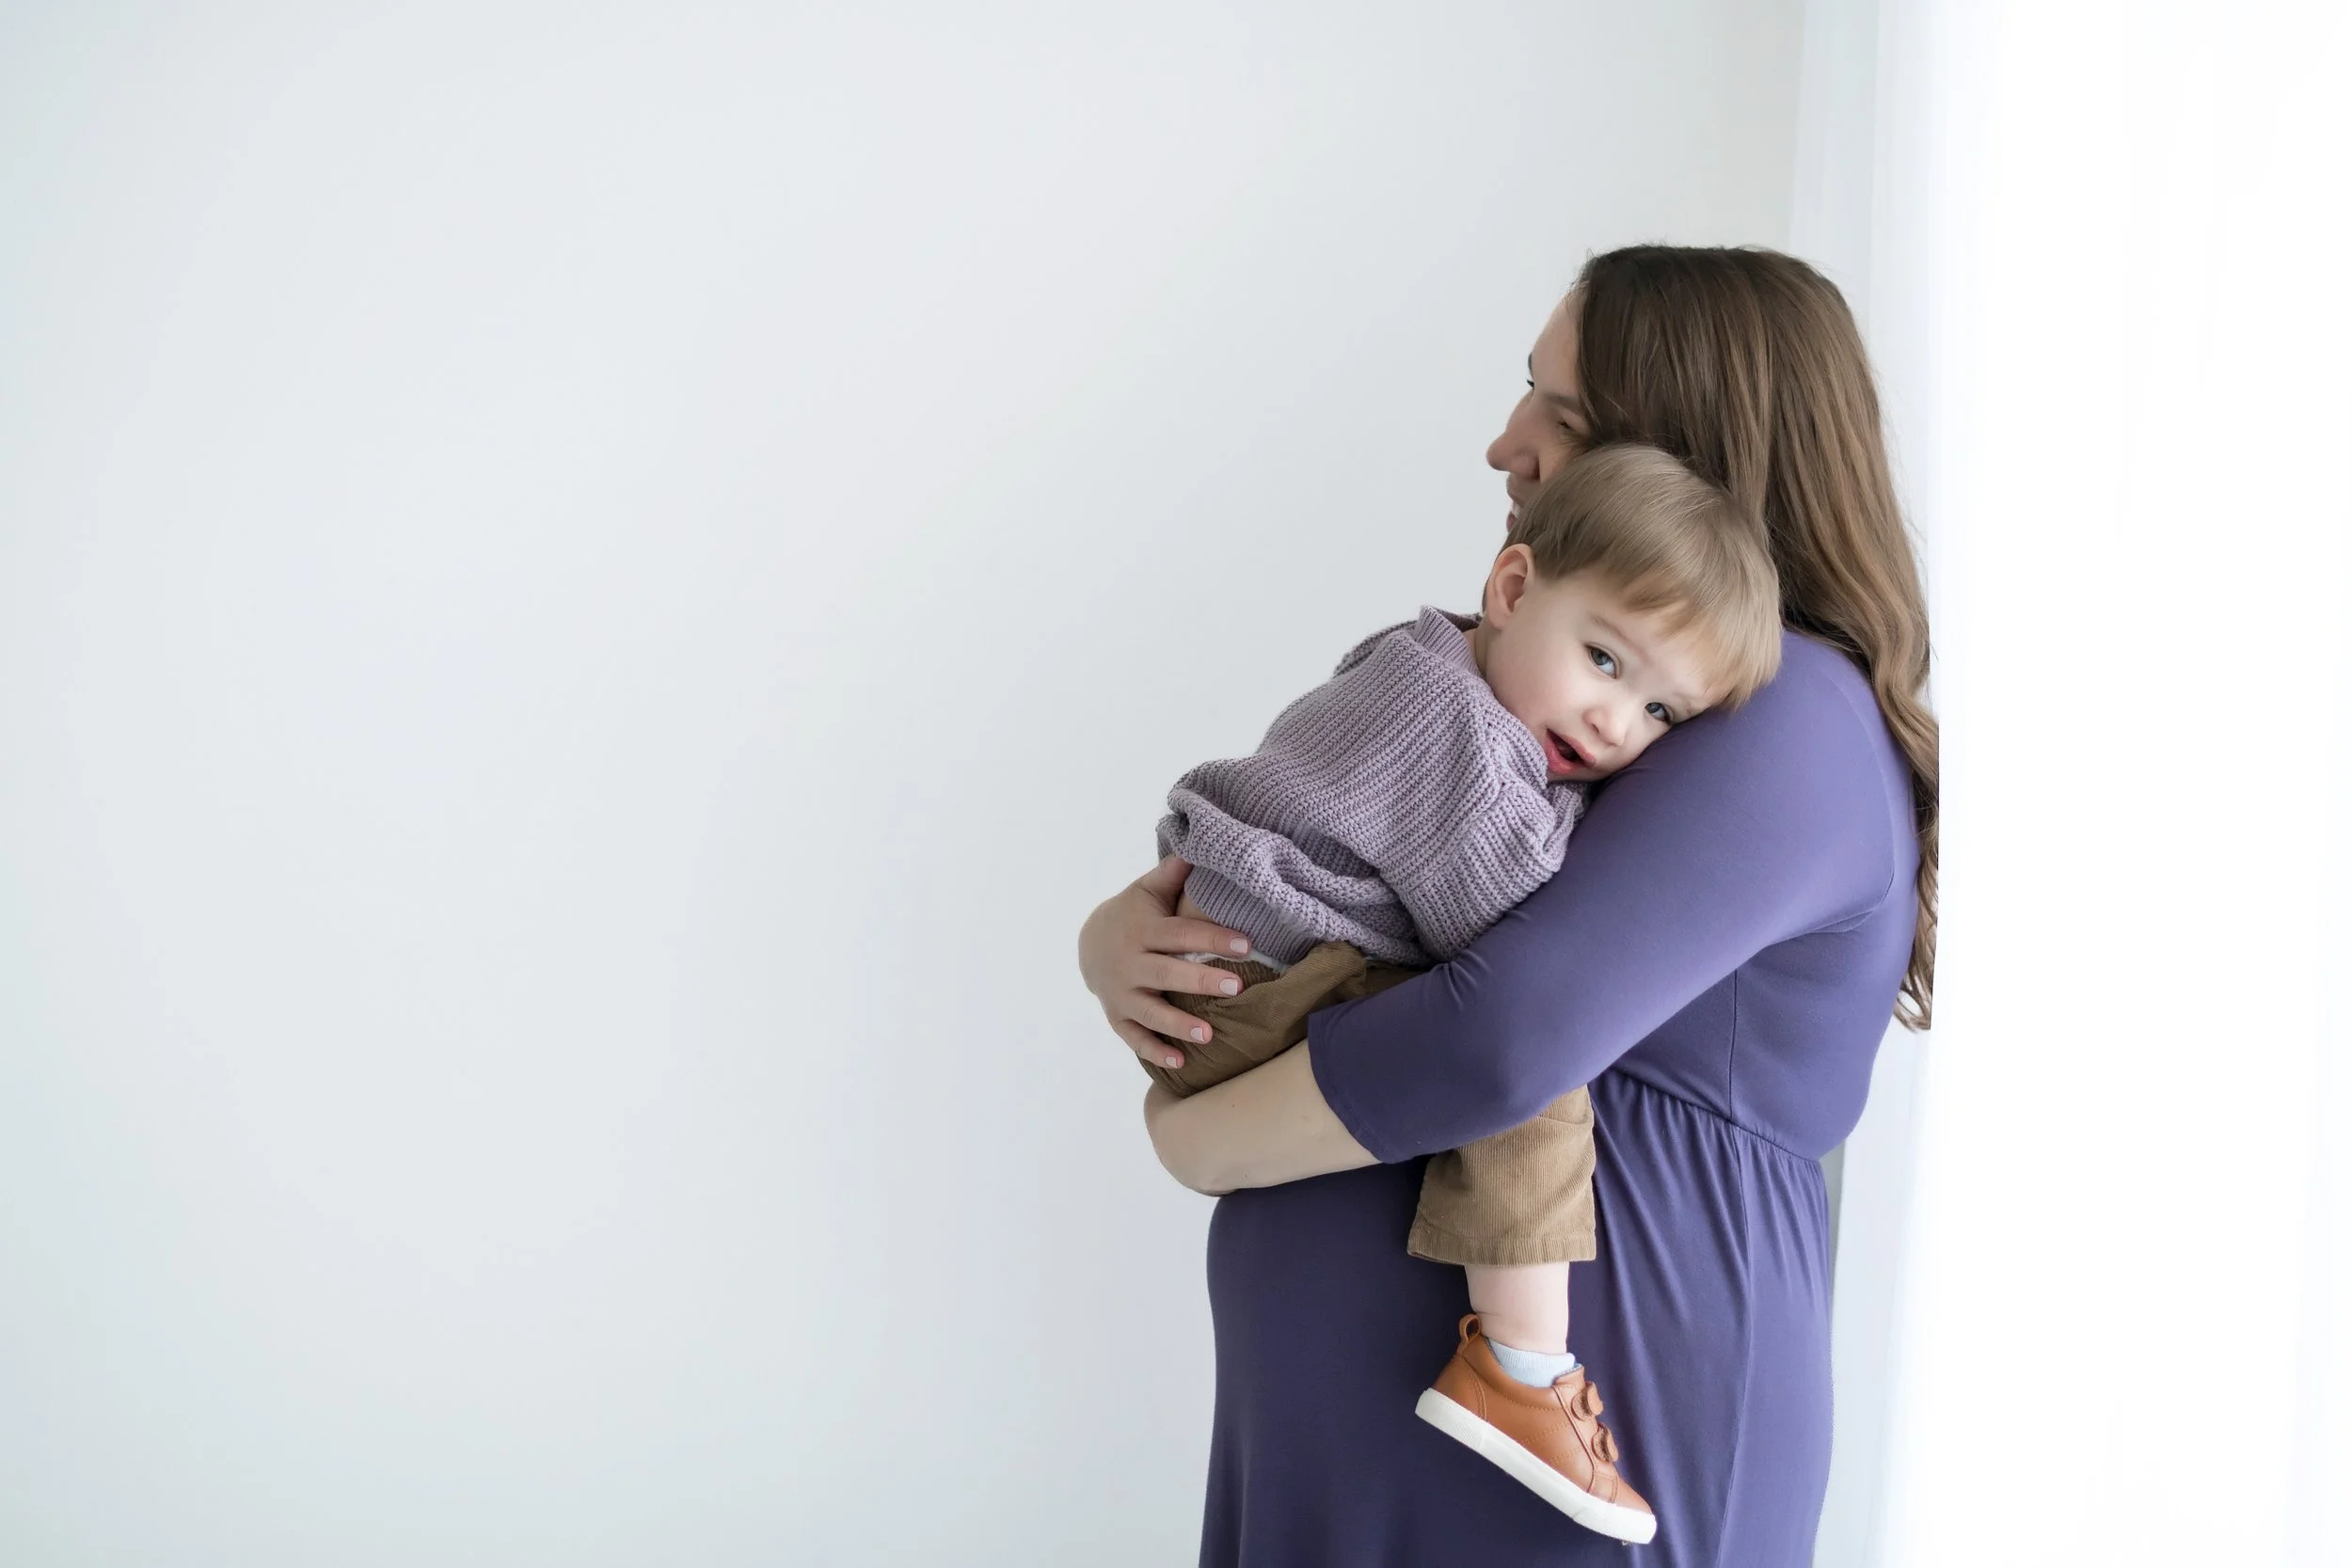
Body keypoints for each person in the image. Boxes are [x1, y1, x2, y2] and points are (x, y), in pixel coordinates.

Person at [1077, 245, 1935, 1568]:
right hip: (1390, 1447)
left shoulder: (1798, 720)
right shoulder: (1539, 701)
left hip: (1580, 1453)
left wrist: (1193, 1140)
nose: (1506, 441)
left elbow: (1504, 1035)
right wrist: (1127, 935)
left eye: (1565, 412)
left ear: (1691, 454)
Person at [1136, 444, 1781, 1545]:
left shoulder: (1423, 659)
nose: (1615, 725)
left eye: (1666, 715)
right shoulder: (1457, 739)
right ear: (1513, 586)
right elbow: (1521, 931)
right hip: (1247, 987)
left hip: (1237, 968)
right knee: (1528, 1063)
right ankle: (1522, 1361)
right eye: (1603, 660)